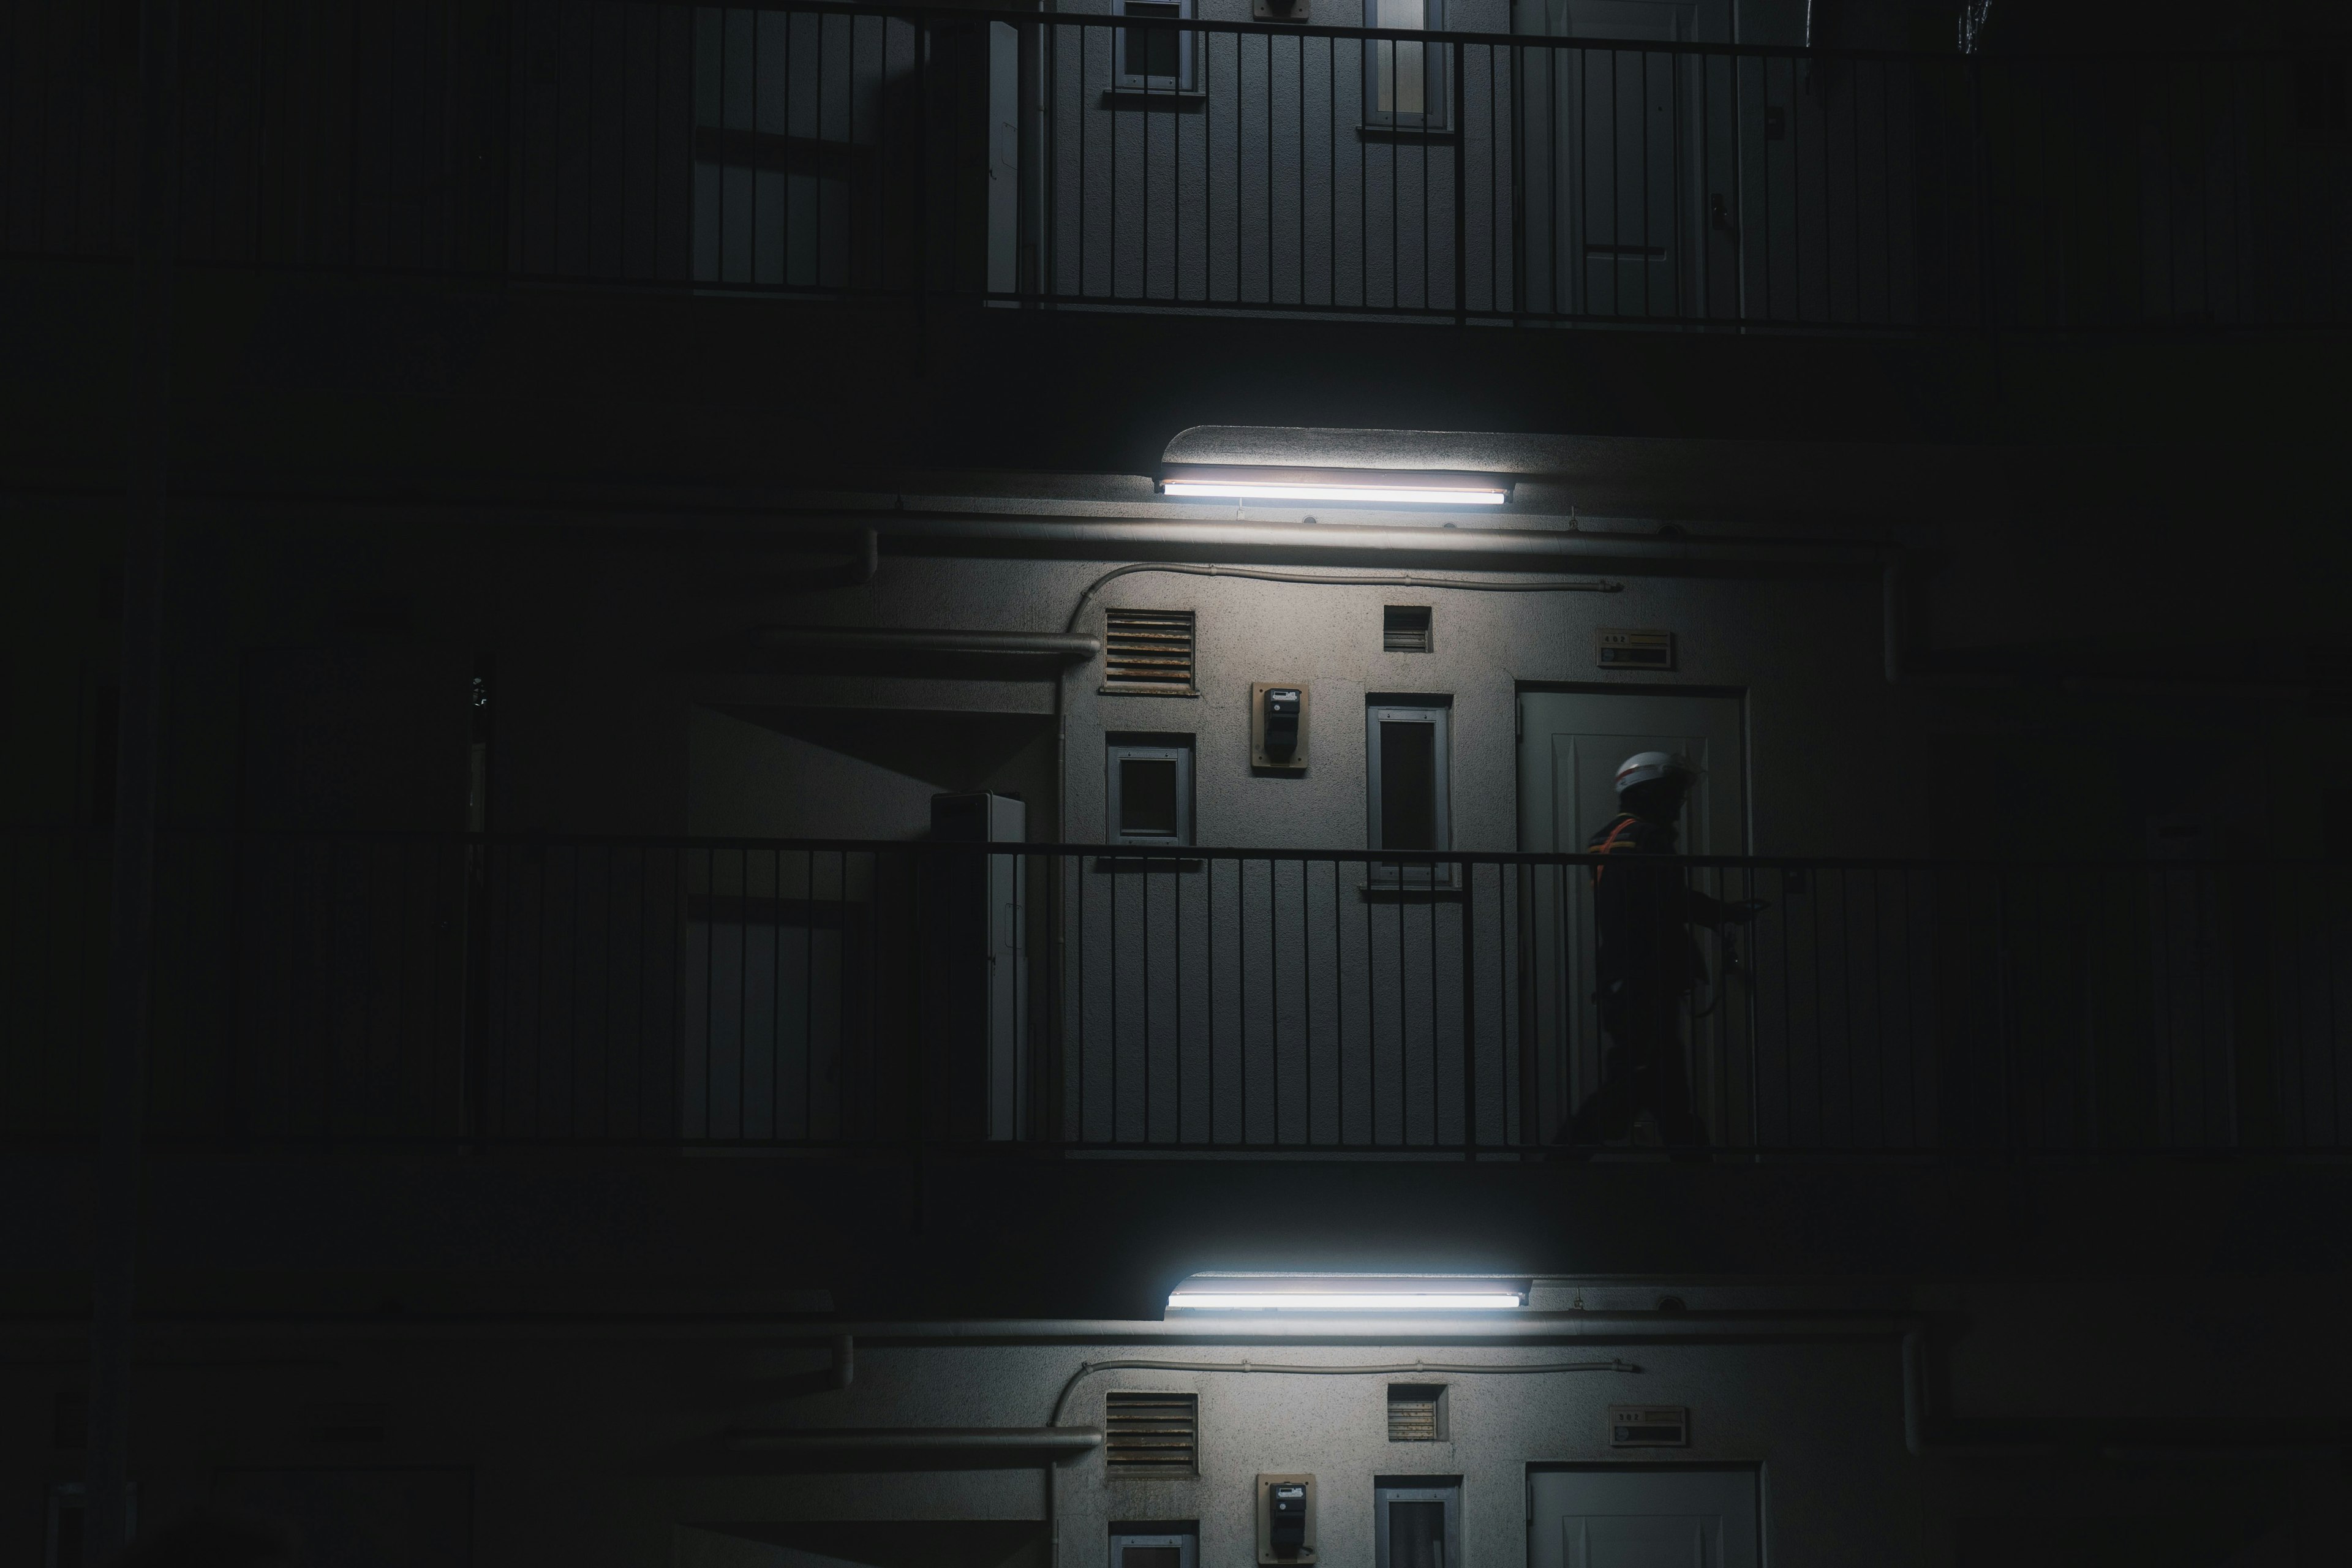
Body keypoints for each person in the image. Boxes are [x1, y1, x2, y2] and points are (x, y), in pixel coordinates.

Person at [1566, 751, 1763, 1152]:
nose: (1679, 803)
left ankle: (1687, 1155)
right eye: (1672, 793)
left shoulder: (1604, 839)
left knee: (1661, 1080)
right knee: (1639, 1079)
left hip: (1621, 975)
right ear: (1649, 792)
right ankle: (1566, 1151)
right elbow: (1669, 899)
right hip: (1646, 976)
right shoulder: (1649, 838)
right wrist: (1725, 913)